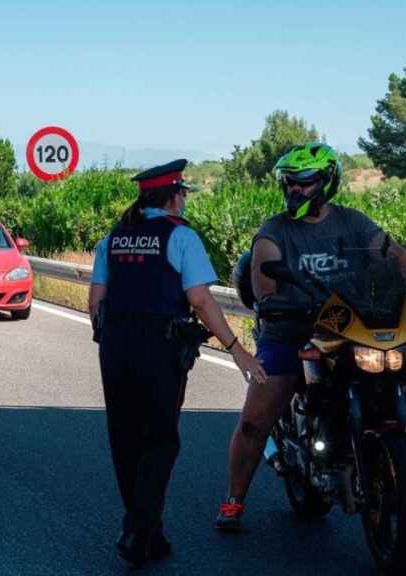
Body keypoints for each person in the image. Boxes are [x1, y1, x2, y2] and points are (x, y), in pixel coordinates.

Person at [215, 142, 406, 532]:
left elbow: (392, 254)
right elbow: (264, 275)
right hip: (291, 331)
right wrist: (270, 300)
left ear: (327, 181)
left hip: (350, 329)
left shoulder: (353, 223)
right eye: (289, 183)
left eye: (305, 182)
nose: (295, 190)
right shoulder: (275, 231)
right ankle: (233, 500)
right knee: (254, 420)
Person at [89, 159, 266, 567]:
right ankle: (138, 531)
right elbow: (201, 300)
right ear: (172, 196)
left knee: (125, 436)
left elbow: (94, 302)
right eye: (183, 193)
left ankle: (146, 529)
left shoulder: (113, 237)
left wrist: (113, 340)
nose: (185, 200)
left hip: (115, 347)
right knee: (161, 438)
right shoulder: (180, 236)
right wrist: (236, 348)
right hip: (159, 349)